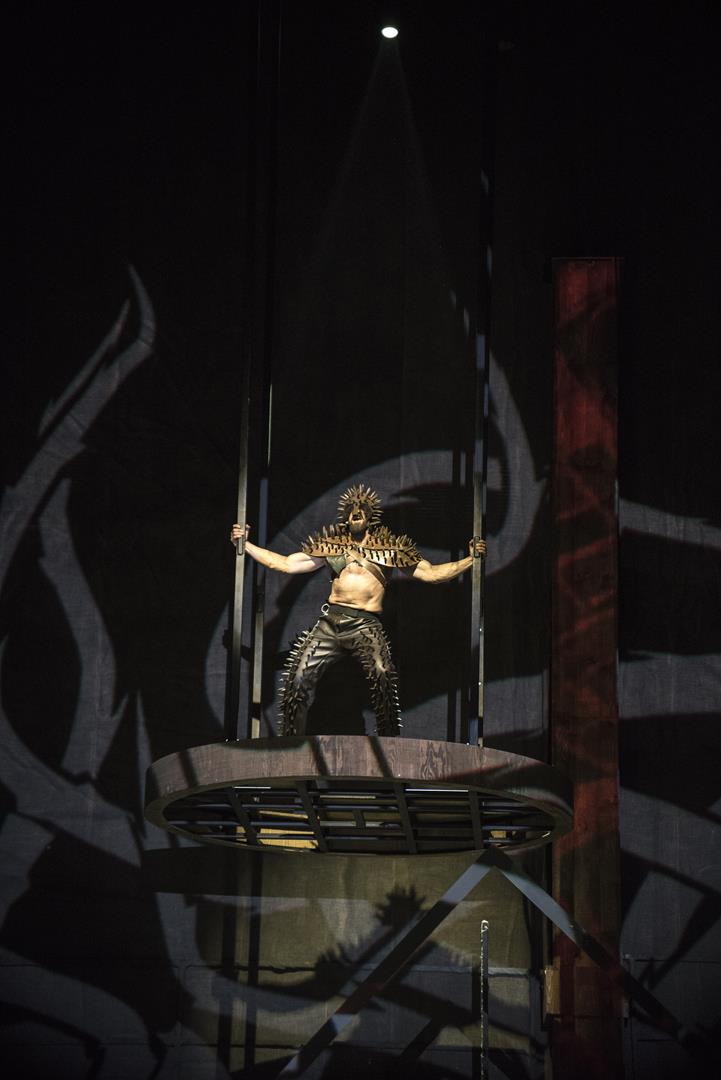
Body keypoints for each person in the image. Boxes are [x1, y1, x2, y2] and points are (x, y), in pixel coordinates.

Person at [230, 483, 485, 737]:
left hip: (366, 625)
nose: (356, 512)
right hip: (330, 623)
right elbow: (285, 564)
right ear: (346, 517)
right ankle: (290, 744)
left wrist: (470, 560)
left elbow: (432, 574)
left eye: (361, 509)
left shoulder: (388, 549)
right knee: (297, 676)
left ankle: (389, 743)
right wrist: (246, 544)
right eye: (351, 510)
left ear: (369, 516)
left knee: (383, 675)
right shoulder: (333, 546)